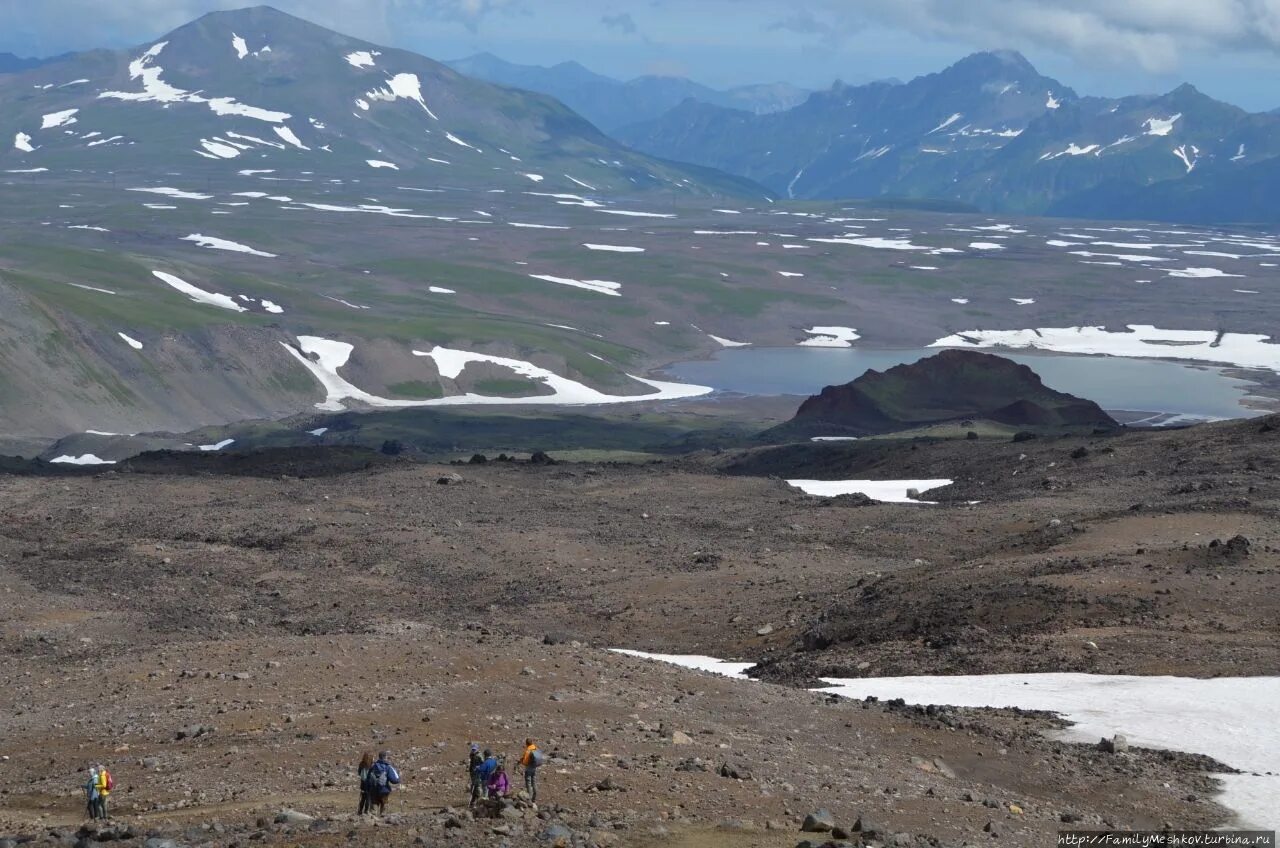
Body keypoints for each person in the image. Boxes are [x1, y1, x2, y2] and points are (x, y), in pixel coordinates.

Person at [363, 750, 401, 816]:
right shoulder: (388, 767)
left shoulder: (373, 766)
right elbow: (394, 780)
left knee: (373, 809)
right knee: (384, 808)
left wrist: (367, 789)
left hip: (374, 791)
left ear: (379, 757)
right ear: (385, 757)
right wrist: (399, 779)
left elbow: (368, 780)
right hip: (384, 790)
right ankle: (382, 820)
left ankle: (371, 821)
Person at [518, 738, 541, 803]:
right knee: (534, 782)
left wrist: (521, 762)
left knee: (528, 783)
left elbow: (525, 762)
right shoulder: (535, 747)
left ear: (526, 743)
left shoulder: (528, 750)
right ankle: (534, 797)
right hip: (534, 768)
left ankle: (529, 798)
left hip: (528, 768)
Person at [356, 751, 375, 815]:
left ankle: (360, 810)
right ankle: (366, 811)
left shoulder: (361, 764)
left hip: (363, 783)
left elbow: (359, 773)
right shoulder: (372, 765)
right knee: (368, 797)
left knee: (363, 798)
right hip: (370, 783)